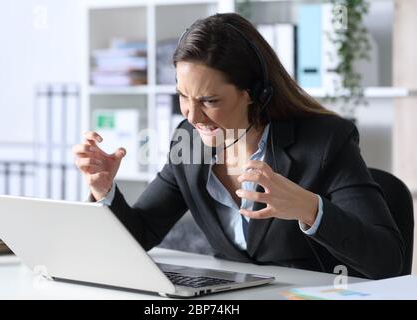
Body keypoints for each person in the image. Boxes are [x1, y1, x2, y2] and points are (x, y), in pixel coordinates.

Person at [73, 13, 404, 279]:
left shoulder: (325, 141)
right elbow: (141, 234)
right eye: (182, 96)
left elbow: (386, 261)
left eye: (210, 100)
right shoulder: (187, 142)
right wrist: (105, 191)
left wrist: (309, 208)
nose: (192, 114)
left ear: (255, 93)